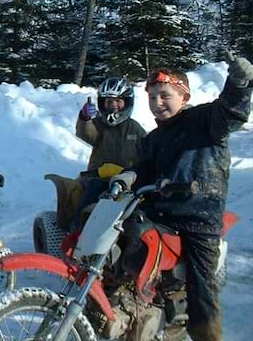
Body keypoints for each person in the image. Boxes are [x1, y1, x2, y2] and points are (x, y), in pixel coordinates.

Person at [109, 54, 253, 341]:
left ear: (184, 96)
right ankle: (131, 301)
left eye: (165, 95)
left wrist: (239, 83)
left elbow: (231, 112)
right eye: (151, 97)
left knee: (202, 287)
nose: (157, 102)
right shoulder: (154, 137)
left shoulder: (203, 120)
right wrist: (129, 177)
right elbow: (144, 169)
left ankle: (207, 335)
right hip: (161, 212)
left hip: (199, 217)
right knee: (123, 235)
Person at [73, 77, 146, 225]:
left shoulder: (134, 128)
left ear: (127, 102)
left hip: (125, 181)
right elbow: (87, 134)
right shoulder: (99, 124)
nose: (113, 105)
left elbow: (147, 152)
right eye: (109, 102)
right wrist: (85, 118)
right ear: (102, 103)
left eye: (118, 101)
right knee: (90, 200)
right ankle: (77, 230)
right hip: (98, 177)